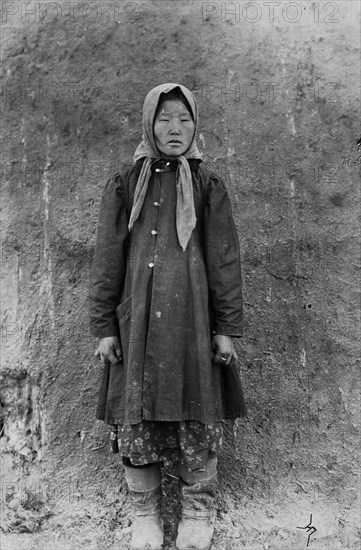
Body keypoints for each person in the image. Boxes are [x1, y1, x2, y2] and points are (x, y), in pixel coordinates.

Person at [89, 83, 246, 550]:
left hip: (192, 327)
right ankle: (145, 518)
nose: (174, 129)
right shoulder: (124, 183)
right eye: (164, 119)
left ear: (195, 125)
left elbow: (224, 260)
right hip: (135, 326)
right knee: (135, 417)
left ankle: (199, 512)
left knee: (198, 412)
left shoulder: (207, 184)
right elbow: (106, 260)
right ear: (148, 124)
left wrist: (226, 329)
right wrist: (103, 327)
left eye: (183, 119)